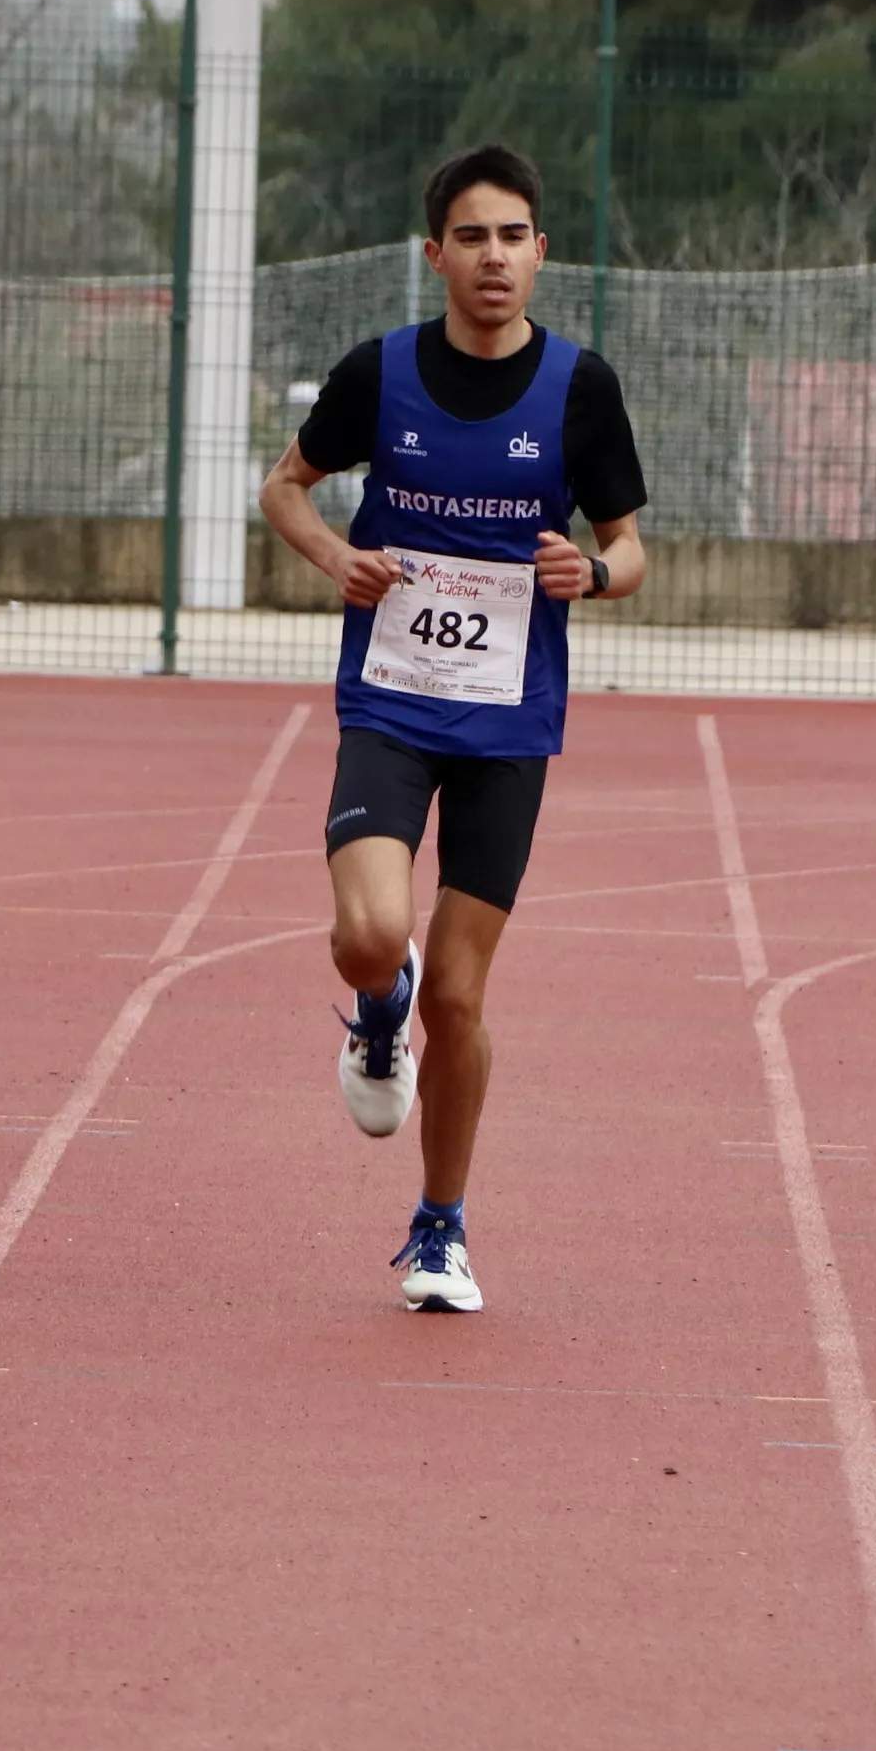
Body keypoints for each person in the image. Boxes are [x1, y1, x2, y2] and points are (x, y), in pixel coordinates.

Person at [257, 142, 650, 1312]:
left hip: (508, 727)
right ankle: (377, 1012)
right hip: (390, 703)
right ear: (435, 255)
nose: (494, 257)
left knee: (463, 1000)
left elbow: (632, 549)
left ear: (542, 252)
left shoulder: (581, 390)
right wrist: (338, 554)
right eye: (471, 236)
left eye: (513, 235)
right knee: (374, 936)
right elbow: (285, 485)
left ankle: (440, 1228)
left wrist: (593, 569)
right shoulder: (378, 374)